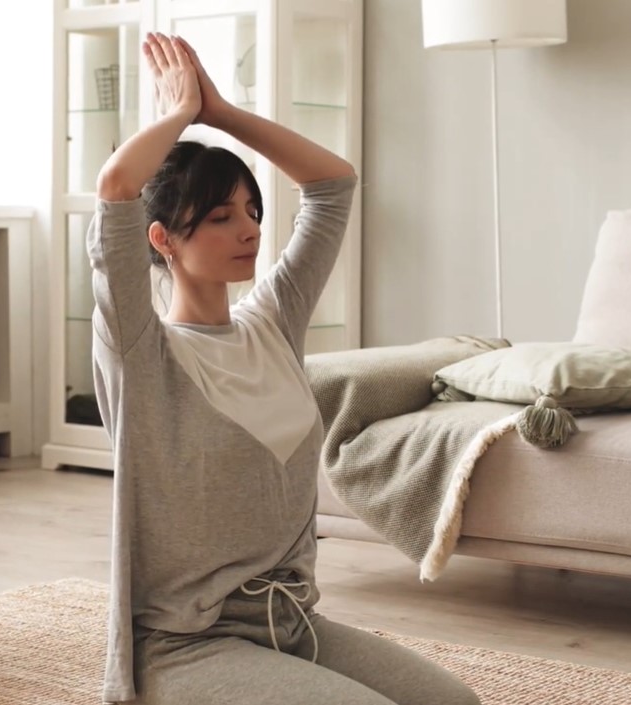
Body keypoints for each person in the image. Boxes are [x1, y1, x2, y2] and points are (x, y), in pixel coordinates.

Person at [87, 31, 483, 705]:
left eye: (252, 211)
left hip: (289, 623)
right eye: (219, 216)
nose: (249, 230)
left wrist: (221, 113)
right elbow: (117, 187)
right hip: (185, 643)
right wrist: (177, 115)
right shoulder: (139, 352)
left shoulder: (272, 321)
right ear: (162, 240)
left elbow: (333, 185)